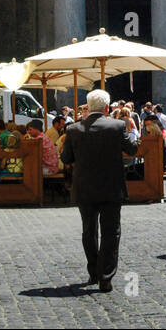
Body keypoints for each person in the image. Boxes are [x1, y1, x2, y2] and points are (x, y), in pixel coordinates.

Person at [59, 89, 139, 293]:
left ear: (87, 107)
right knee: (111, 231)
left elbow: (66, 158)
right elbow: (132, 149)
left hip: (84, 187)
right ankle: (105, 277)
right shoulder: (117, 125)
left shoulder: (74, 129)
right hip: (111, 186)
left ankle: (93, 272)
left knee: (89, 230)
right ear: (106, 108)